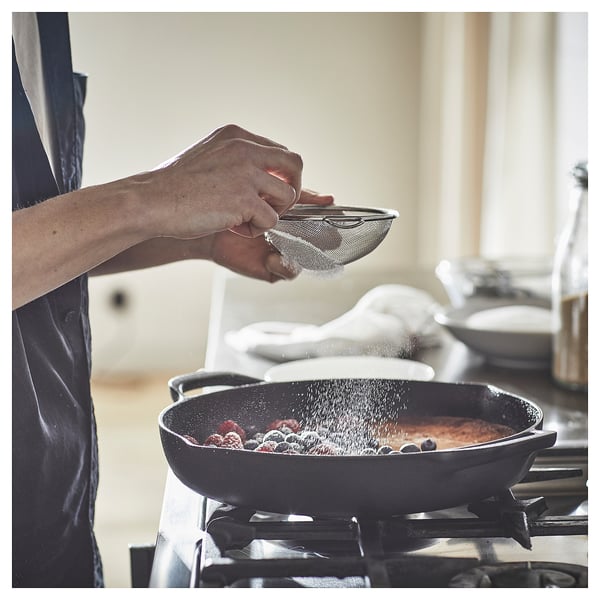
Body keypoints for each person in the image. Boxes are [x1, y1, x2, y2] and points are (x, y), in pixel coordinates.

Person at [12, 12, 333, 587]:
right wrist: (152, 196)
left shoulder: (42, 25)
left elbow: (38, 234)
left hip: (50, 495)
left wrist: (204, 234)